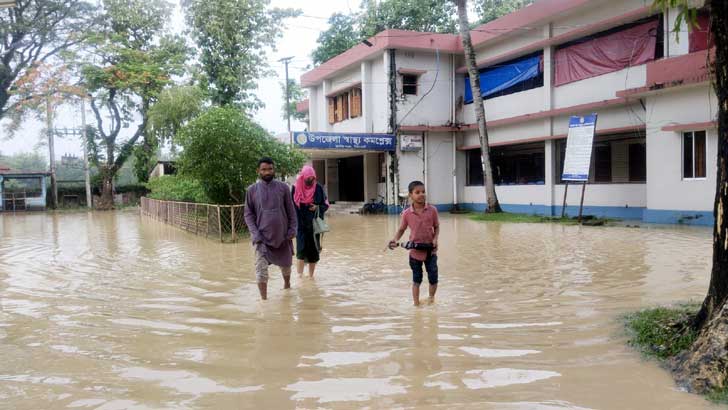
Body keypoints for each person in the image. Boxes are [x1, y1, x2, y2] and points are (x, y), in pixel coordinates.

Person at [244, 157, 297, 300]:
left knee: (286, 265)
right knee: (261, 270)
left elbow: (291, 211)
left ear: (274, 170)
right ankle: (264, 301)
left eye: (270, 169)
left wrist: (292, 230)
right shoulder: (251, 190)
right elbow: (248, 215)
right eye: (264, 169)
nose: (267, 172)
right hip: (261, 239)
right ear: (258, 171)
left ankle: (287, 286)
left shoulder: (283, 188)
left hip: (283, 236)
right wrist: (255, 234)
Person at [389, 180, 440, 306]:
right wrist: (395, 240)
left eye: (423, 192)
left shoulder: (432, 210)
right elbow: (401, 229)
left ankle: (431, 300)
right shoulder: (407, 214)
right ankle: (416, 305)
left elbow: (437, 227)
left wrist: (435, 239)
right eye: (417, 192)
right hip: (415, 253)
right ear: (411, 195)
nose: (421, 194)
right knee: (417, 279)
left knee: (433, 278)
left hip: (430, 251)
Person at [291, 165, 329, 278]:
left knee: (313, 252)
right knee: (301, 251)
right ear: (303, 177)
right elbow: (291, 207)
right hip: (300, 225)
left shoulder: (318, 188)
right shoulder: (295, 188)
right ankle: (300, 277)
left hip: (314, 226)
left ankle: (311, 277)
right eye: (308, 179)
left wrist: (317, 207)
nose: (311, 181)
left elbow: (325, 204)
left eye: (312, 179)